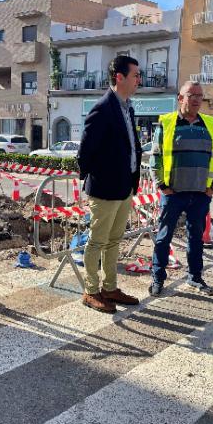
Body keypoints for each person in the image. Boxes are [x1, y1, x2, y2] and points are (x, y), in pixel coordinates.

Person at [77, 55, 143, 313]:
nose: (139, 79)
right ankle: (90, 291)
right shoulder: (102, 108)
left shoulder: (128, 107)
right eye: (135, 75)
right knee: (97, 241)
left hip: (125, 187)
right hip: (105, 190)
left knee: (114, 240)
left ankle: (110, 287)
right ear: (120, 77)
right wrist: (100, 178)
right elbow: (86, 152)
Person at [148, 81, 213, 296]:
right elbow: (156, 157)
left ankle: (195, 277)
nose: (197, 99)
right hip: (174, 194)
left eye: (200, 95)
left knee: (196, 238)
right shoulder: (167, 122)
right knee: (164, 237)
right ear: (180, 98)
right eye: (192, 95)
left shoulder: (208, 123)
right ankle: (158, 277)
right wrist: (162, 185)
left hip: (200, 194)